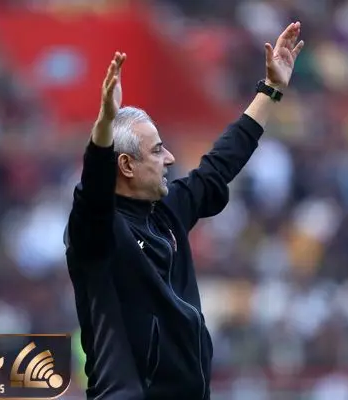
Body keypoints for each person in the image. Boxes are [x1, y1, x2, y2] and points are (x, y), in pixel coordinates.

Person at [64, 21, 305, 400]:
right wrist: (104, 127)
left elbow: (218, 166)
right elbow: (93, 194)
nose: (170, 158)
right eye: (157, 150)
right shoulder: (99, 232)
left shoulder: (166, 211)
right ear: (125, 165)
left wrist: (271, 90)